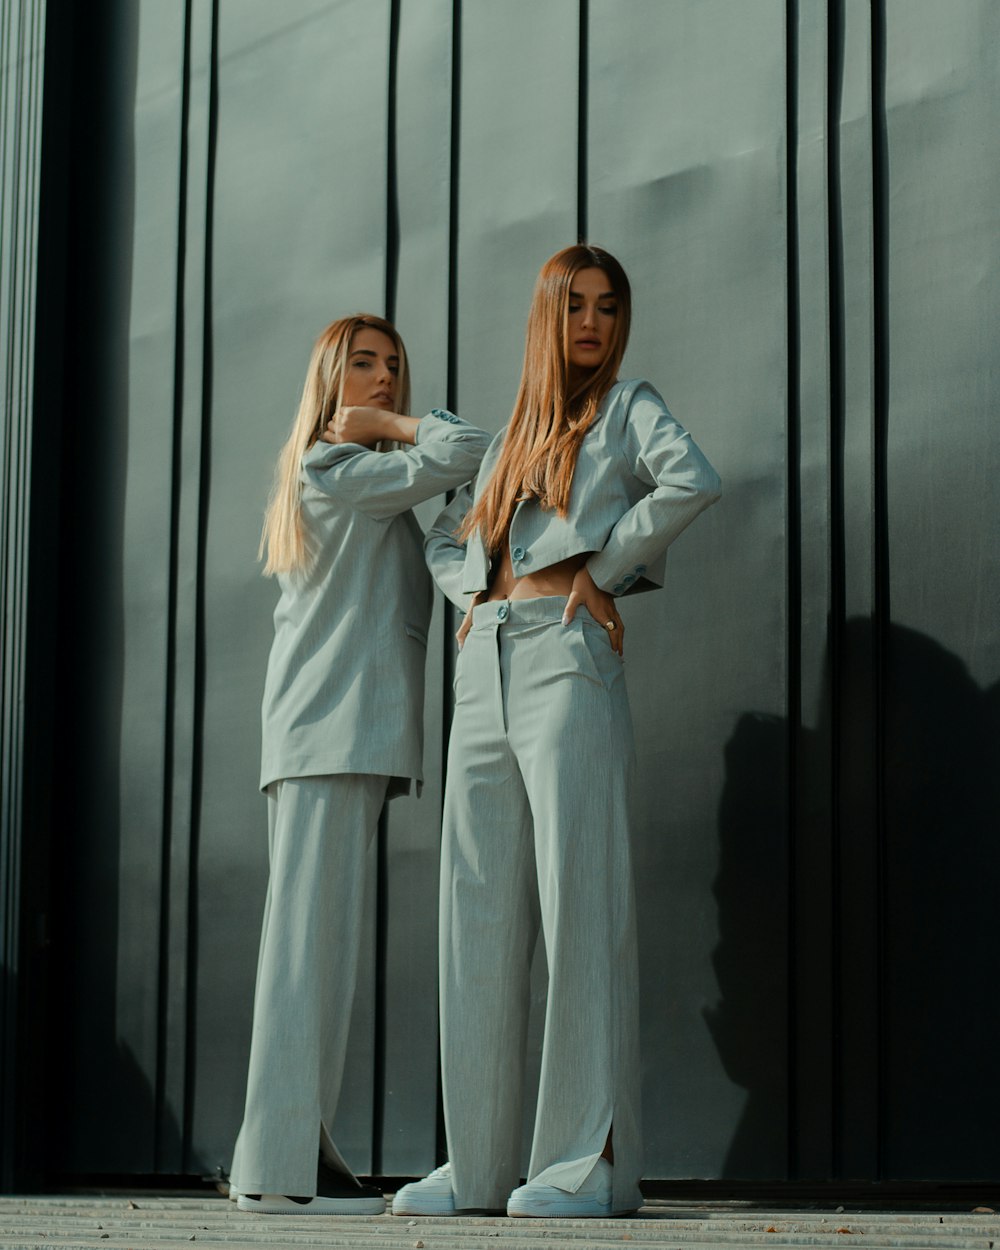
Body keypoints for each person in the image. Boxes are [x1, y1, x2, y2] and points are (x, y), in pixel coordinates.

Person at [393, 246, 721, 1220]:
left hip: (567, 656)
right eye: (573, 305)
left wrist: (603, 566)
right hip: (484, 659)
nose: (590, 321)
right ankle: (481, 1165)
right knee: (477, 913)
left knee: (581, 903)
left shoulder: (628, 407)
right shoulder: (505, 440)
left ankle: (588, 1163)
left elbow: (690, 478)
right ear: (547, 315)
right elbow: (445, 533)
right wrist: (472, 590)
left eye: (607, 306)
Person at [229, 314, 491, 1216]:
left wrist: (380, 429)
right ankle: (273, 1173)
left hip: (336, 740)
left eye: (394, 369)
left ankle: (295, 1158)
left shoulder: (359, 480)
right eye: (364, 366)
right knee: (306, 954)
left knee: (317, 952)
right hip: (325, 736)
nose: (383, 379)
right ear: (331, 379)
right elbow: (467, 449)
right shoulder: (336, 469)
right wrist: (392, 423)